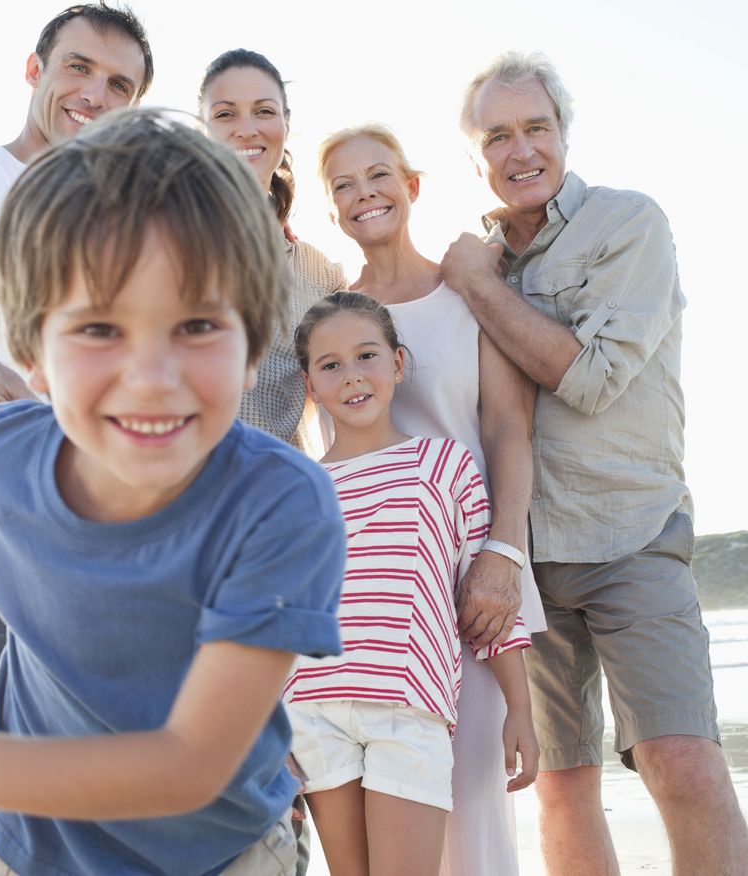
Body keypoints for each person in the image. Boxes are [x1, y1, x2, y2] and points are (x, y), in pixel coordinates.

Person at [0, 109, 346, 876]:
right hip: (24, 848)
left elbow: (187, 767)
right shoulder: (0, 457)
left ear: (255, 345)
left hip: (216, 855)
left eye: (196, 324)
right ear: (30, 352)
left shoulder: (281, 506)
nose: (151, 378)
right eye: (98, 329)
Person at [440, 51, 748, 875]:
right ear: (474, 157)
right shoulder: (473, 259)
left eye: (536, 128)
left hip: (632, 534)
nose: (520, 151)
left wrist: (479, 288)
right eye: (497, 135)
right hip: (526, 564)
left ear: (563, 135)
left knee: (681, 761)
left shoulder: (628, 225)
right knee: (560, 782)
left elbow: (589, 376)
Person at [0, 4, 152, 865]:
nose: (94, 93)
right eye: (78, 68)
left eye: (118, 84)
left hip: (116, 542)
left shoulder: (133, 225)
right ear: (34, 69)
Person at [317, 124, 543, 874]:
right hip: (380, 609)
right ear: (331, 209)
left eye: (378, 175)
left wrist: (502, 556)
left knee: (473, 813)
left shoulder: (465, 290)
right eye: (343, 185)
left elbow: (509, 430)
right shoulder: (337, 320)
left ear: (411, 185)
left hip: (476, 577)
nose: (364, 195)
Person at [284, 292, 537, 876]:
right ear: (310, 385)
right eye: (330, 365)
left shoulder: (444, 465)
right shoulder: (297, 490)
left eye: (366, 356)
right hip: (314, 711)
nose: (352, 377)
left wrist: (519, 709)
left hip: (408, 707)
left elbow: (491, 601)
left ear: (397, 364)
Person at [198, 49, 347, 449]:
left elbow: (344, 400)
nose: (246, 129)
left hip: (276, 494)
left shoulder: (320, 273)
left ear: (285, 123)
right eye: (226, 114)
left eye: (263, 111)